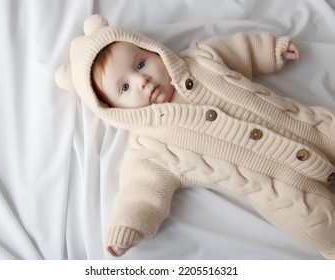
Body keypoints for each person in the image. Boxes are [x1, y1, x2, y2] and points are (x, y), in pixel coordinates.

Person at [55, 14, 335, 259]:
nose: (142, 81)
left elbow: (241, 50)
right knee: (315, 225)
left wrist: (270, 50)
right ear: (112, 109)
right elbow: (141, 191)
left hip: (310, 129)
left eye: (140, 64)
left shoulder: (201, 59)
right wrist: (129, 223)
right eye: (124, 87)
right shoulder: (151, 147)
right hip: (284, 189)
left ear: (152, 50)